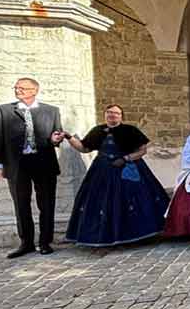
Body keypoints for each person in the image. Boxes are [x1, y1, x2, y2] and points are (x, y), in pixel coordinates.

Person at [64, 104, 170, 247]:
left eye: (116, 113)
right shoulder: (98, 130)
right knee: (100, 201)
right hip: (102, 170)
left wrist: (126, 158)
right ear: (105, 114)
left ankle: (137, 234)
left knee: (133, 200)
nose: (112, 115)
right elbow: (84, 148)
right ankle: (105, 235)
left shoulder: (130, 130)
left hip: (127, 168)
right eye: (109, 112)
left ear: (121, 116)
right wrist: (69, 137)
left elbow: (142, 150)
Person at [0, 77, 64, 258]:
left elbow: (56, 134)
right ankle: (26, 243)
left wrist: (56, 139)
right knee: (21, 204)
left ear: (34, 91)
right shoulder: (4, 111)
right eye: (16, 87)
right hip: (17, 165)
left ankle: (45, 242)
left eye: (22, 88)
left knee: (46, 204)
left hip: (44, 163)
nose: (18, 90)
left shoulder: (51, 111)